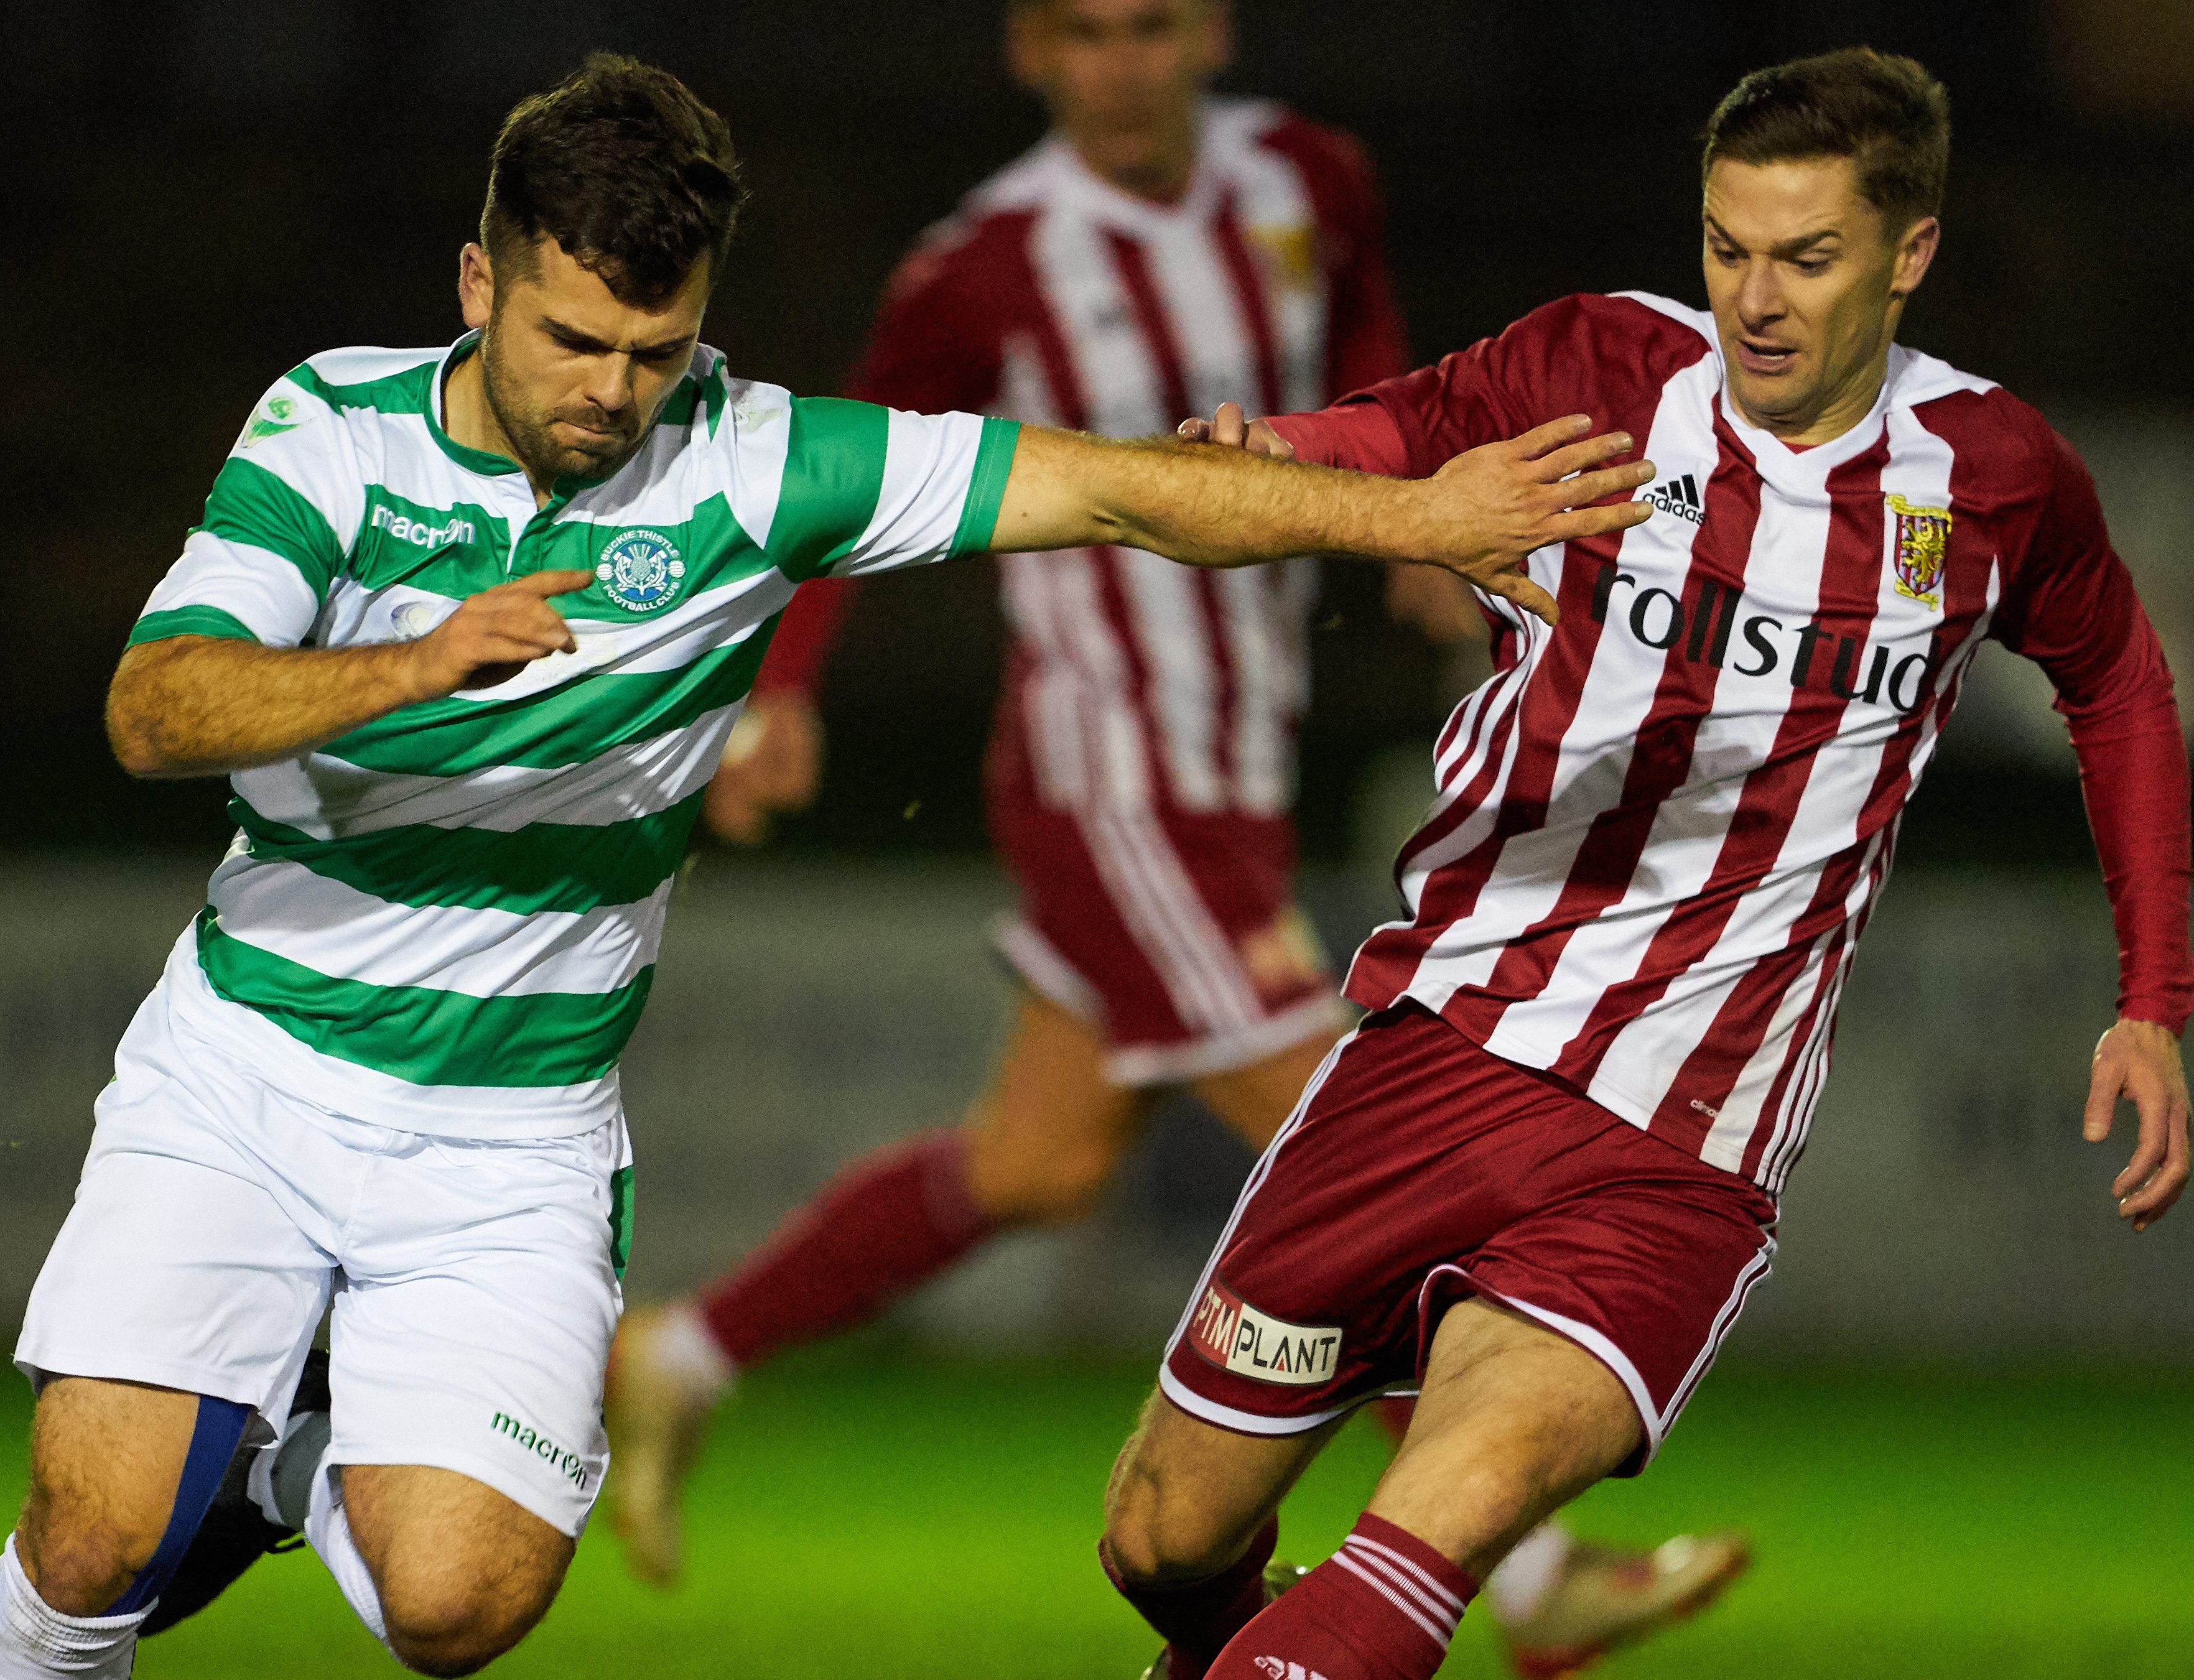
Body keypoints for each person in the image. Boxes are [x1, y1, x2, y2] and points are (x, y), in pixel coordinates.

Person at [0, 50, 1660, 1680]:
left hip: (508, 1140)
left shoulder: (760, 465)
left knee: (457, 1611)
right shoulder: (332, 428)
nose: (611, 392)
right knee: (92, 1535)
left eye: (653, 348)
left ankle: (274, 1460)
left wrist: (1418, 513)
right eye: (571, 340)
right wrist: (406, 665)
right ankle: (207, 1475)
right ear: (475, 283)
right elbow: (153, 705)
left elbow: (1124, 496)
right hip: (252, 1071)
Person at [606, 3, 1747, 1675]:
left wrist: (1409, 514)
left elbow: (1362, 323)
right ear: (1029, 50)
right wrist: (782, 692)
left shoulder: (1305, 177)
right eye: (1085, 31)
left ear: (1204, 29)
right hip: (1106, 770)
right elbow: (840, 475)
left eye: (1150, 25)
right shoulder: (988, 260)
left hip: (1237, 754)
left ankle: (691, 1355)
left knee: (1041, 1158)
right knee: (1344, 1123)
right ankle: (1526, 1570)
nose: (1122, 63)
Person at [1092, 47, 2194, 1680]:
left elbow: (2116, 679)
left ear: (1910, 254)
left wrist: (2151, 995)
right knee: (1164, 1538)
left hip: (1681, 1144)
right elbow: (1388, 441)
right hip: (1436, 1051)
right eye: (1728, 245)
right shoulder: (1598, 363)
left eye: (1807, 257)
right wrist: (1278, 448)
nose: (1757, 297)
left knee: (1428, 1533)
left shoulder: (1993, 477)